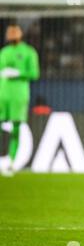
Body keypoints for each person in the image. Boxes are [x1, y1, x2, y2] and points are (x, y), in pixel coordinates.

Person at [0, 25, 40, 176]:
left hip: (19, 95)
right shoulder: (4, 52)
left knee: (15, 128)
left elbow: (34, 73)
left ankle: (11, 162)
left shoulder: (28, 52)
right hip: (2, 94)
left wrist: (18, 73)